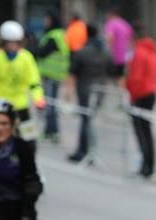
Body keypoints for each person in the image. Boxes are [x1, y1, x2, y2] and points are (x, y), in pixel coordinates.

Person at [0, 20, 45, 150]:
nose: (13, 46)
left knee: (30, 140)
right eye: (9, 43)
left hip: (20, 105)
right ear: (3, 42)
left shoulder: (26, 58)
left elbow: (34, 82)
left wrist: (38, 99)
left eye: (16, 43)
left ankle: (27, 166)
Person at [66, 24, 111, 163]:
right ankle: (89, 151)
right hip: (100, 91)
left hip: (85, 89)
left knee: (86, 120)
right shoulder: (104, 52)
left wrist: (69, 91)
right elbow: (112, 69)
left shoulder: (82, 52)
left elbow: (72, 73)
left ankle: (84, 151)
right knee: (89, 120)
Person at [124, 23, 156, 178]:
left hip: (140, 94)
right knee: (147, 130)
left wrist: (131, 94)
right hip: (151, 92)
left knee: (141, 131)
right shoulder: (152, 51)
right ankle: (149, 164)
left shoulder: (138, 52)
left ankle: (146, 165)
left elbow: (135, 77)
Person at [32, 11, 69, 142]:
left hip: (51, 76)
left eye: (46, 19)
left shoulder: (54, 36)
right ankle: (49, 131)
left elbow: (42, 52)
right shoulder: (60, 34)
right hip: (55, 75)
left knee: (50, 105)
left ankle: (53, 132)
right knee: (49, 104)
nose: (44, 22)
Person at [103, 6, 133, 81]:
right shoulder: (126, 24)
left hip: (113, 57)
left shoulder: (111, 23)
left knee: (109, 78)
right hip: (124, 57)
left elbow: (109, 38)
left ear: (111, 14)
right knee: (121, 77)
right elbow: (130, 41)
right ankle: (120, 91)